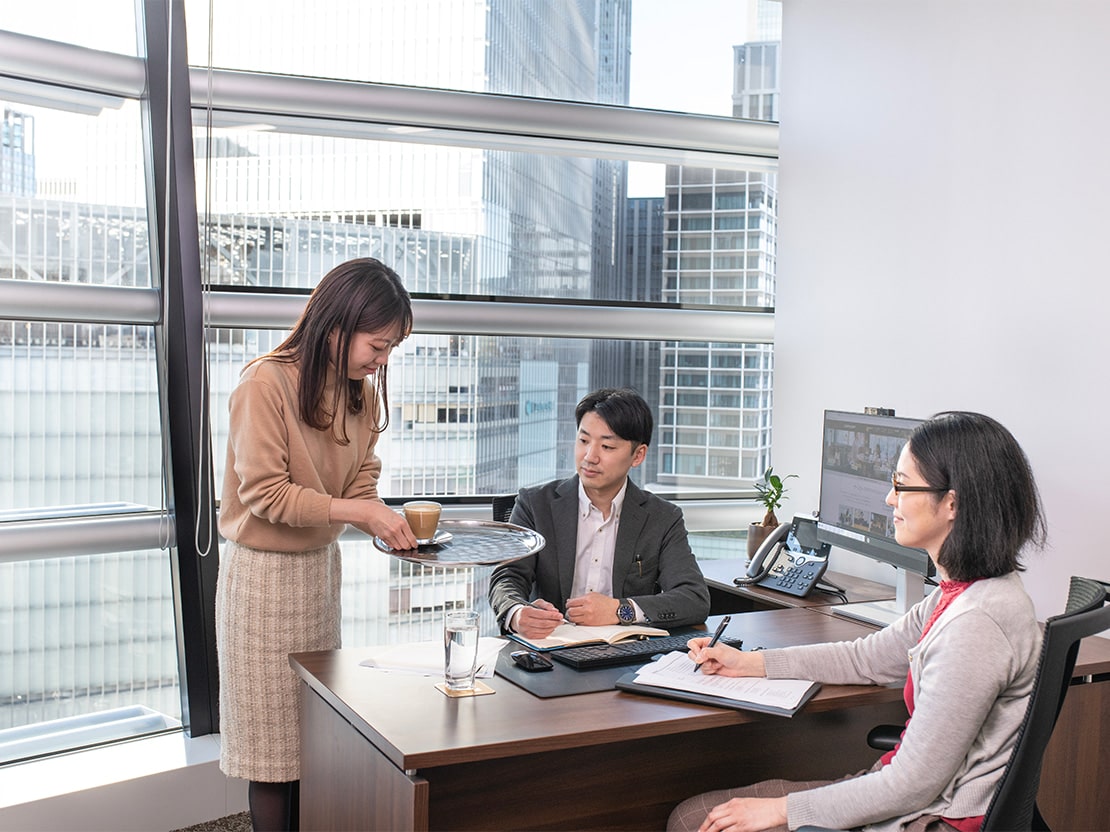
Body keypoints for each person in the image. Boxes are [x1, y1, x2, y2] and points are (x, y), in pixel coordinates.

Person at [668, 411, 1047, 832]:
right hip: (912, 797)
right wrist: (749, 663)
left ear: (952, 504)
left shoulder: (975, 626)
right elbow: (867, 659)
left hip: (930, 818)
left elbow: (911, 786)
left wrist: (782, 811)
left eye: (901, 485)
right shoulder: (962, 593)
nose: (889, 499)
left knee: (691, 821)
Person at [216, 257, 416, 832]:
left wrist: (379, 517)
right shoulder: (263, 383)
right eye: (377, 345)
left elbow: (362, 478)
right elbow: (265, 495)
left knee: (313, 745)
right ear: (336, 327)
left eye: (391, 349)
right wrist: (361, 512)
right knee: (271, 755)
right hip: (261, 584)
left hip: (318, 577)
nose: (382, 360)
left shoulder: (360, 393)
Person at [489, 387, 710, 637]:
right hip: (550, 647)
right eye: (583, 441)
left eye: (606, 446)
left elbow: (693, 598)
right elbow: (507, 578)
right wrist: (518, 613)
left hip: (626, 651)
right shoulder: (535, 504)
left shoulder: (662, 518)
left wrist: (621, 610)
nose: (590, 456)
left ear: (638, 455)